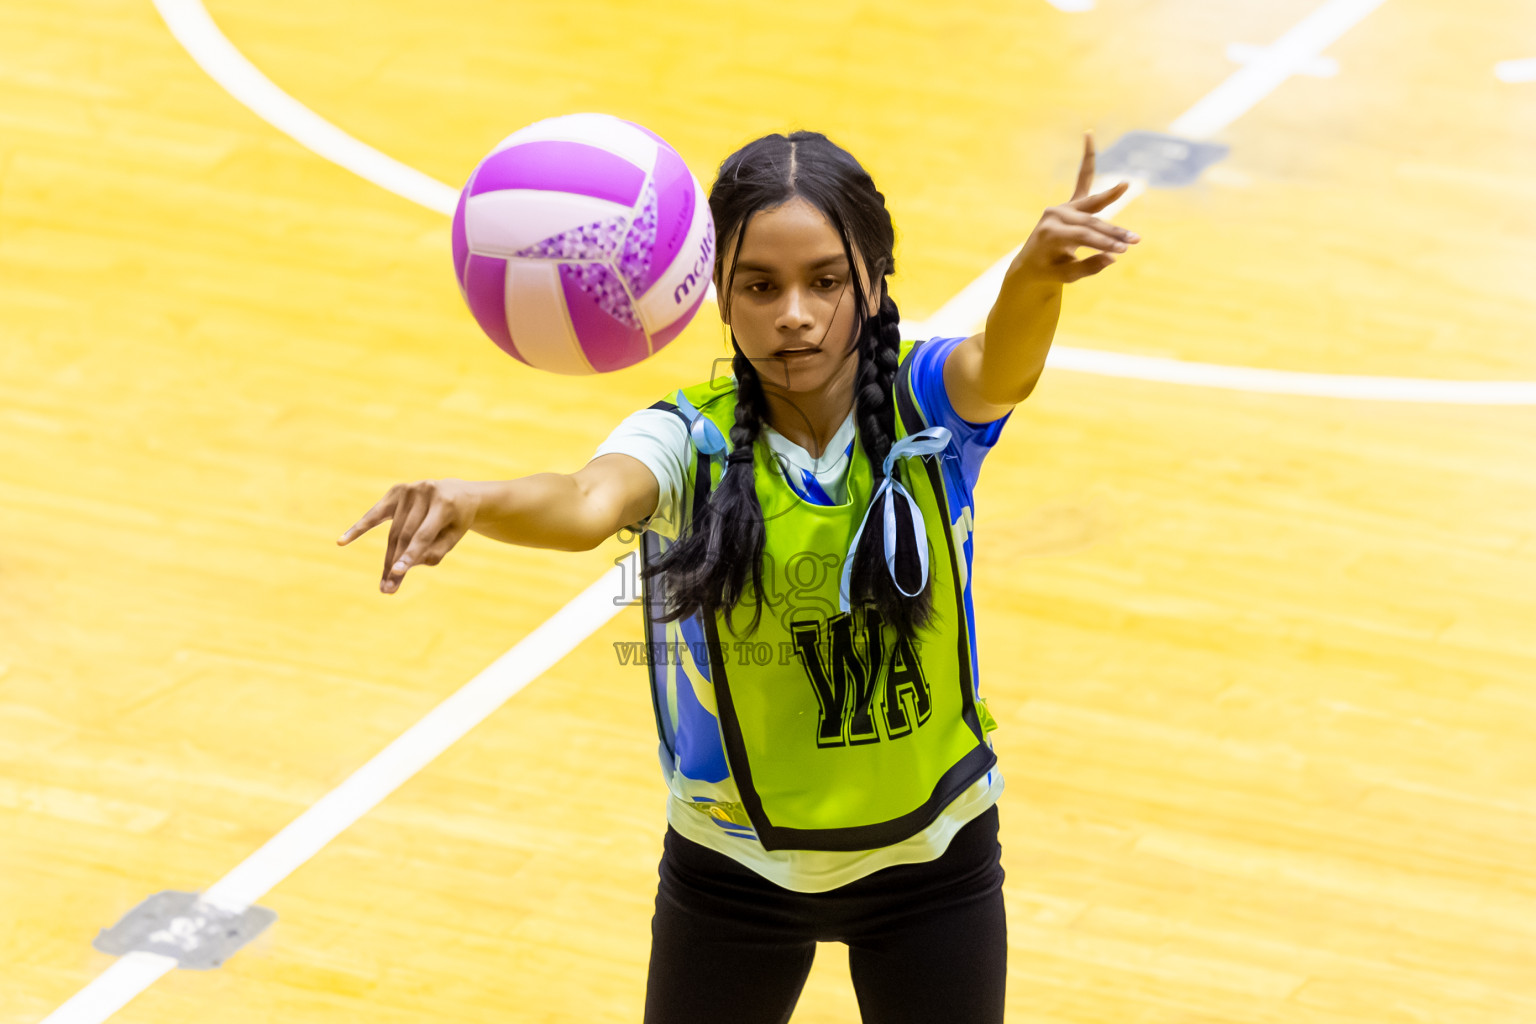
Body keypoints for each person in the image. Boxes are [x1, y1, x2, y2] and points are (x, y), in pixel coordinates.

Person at [339, 128, 1139, 1024]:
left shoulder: (929, 406)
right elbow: (584, 500)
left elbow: (1007, 364)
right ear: (717, 295)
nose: (792, 313)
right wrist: (479, 500)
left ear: (874, 285)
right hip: (732, 871)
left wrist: (1032, 276)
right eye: (760, 286)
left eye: (825, 281)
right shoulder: (688, 437)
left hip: (933, 863)